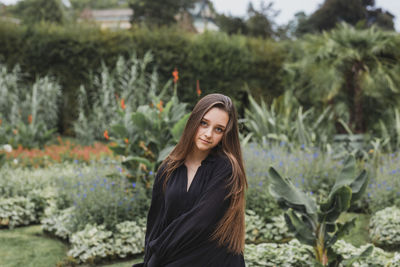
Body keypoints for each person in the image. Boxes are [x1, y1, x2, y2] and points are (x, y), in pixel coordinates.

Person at [133, 93, 247, 267]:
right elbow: (156, 222)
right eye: (204, 123)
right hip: (174, 258)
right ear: (194, 121)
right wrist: (150, 260)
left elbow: (200, 222)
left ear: (225, 134)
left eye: (218, 129)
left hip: (213, 260)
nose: (208, 134)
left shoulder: (226, 168)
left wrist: (158, 255)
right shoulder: (168, 168)